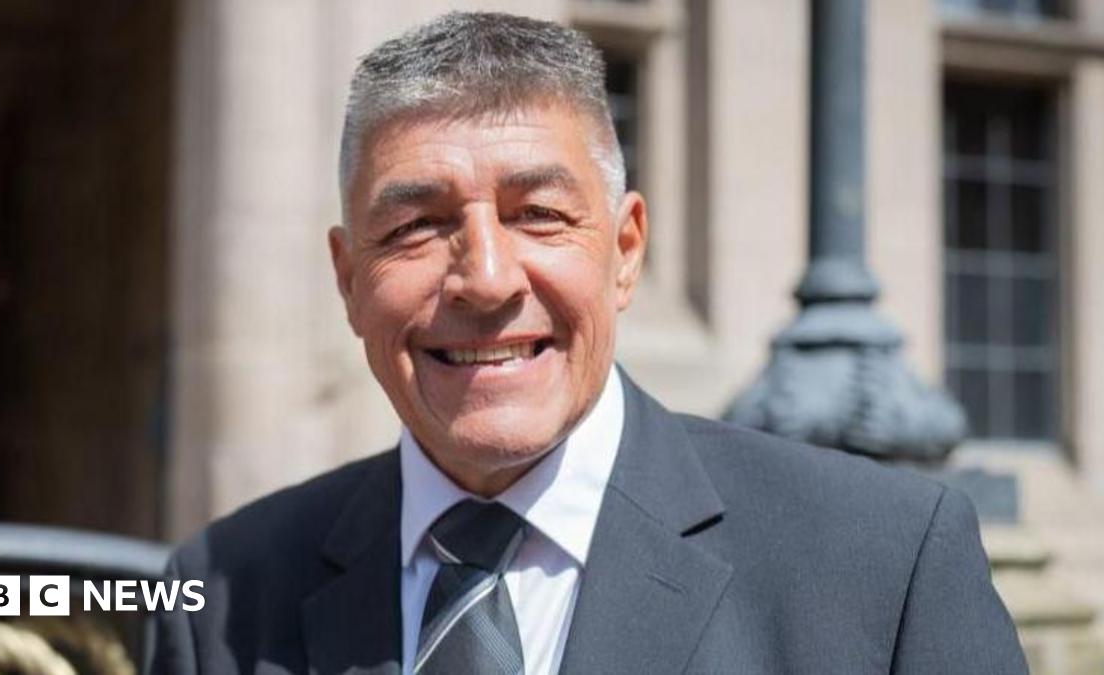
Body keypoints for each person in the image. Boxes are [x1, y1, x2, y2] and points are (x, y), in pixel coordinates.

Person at [146, 11, 1027, 674]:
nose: (485, 278)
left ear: (625, 251)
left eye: (538, 214)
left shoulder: (881, 566)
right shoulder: (220, 596)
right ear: (348, 279)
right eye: (417, 225)